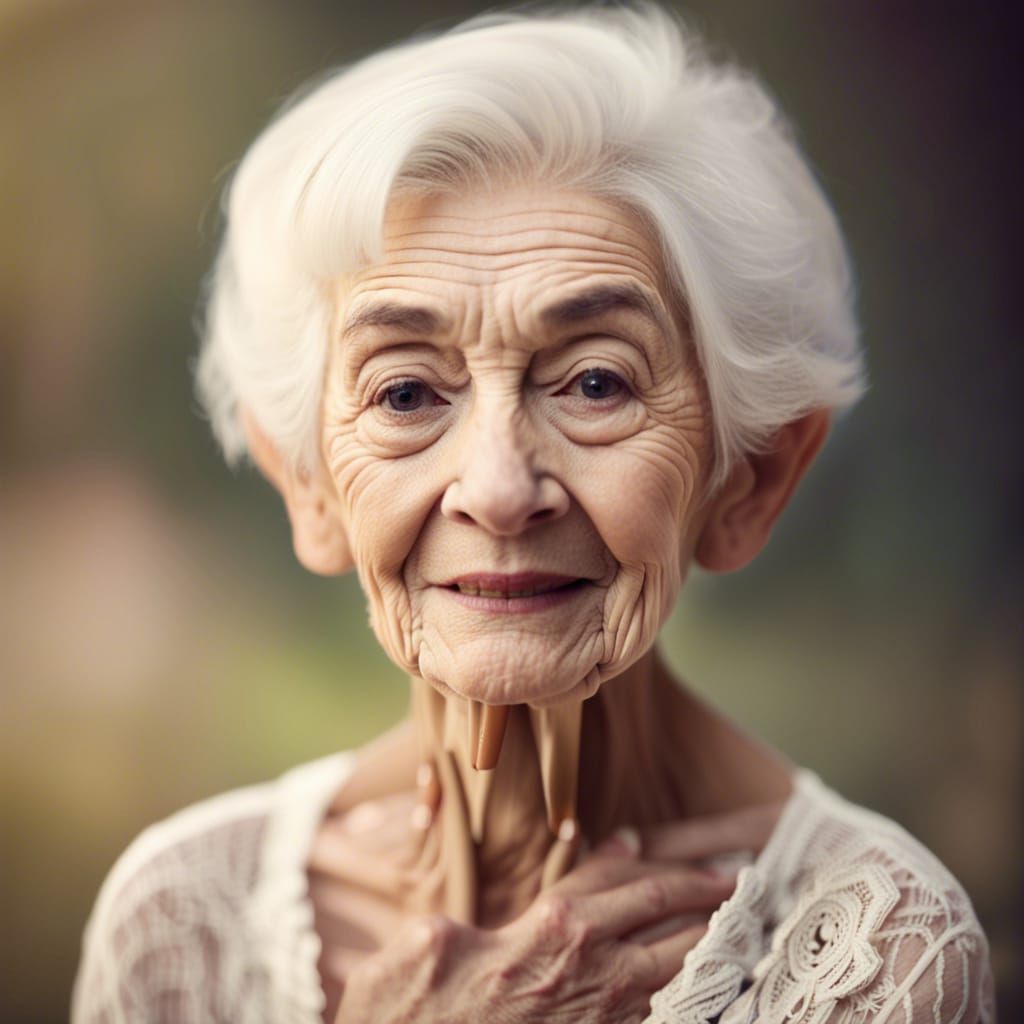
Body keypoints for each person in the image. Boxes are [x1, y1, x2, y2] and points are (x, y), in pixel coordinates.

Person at [72, 5, 995, 1022]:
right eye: (407, 392)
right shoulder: (181, 920)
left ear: (750, 481)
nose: (500, 488)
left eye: (595, 383)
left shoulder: (877, 949)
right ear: (309, 484)